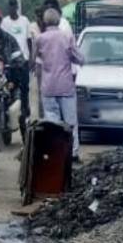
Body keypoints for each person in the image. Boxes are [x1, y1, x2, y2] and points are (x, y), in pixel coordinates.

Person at [34, 8, 85, 161]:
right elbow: (79, 58)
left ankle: (54, 153)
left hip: (48, 86)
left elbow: (33, 60)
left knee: (52, 122)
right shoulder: (66, 37)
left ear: (44, 21)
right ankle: (73, 153)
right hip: (65, 86)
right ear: (58, 20)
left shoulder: (40, 39)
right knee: (70, 121)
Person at [1, 0, 33, 127]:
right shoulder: (4, 22)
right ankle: (10, 115)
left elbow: (29, 40)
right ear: (8, 7)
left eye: (14, 6)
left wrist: (30, 58)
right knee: (9, 87)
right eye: (10, 6)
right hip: (10, 63)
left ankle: (25, 111)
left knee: (25, 87)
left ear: (17, 7)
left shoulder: (25, 21)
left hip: (23, 61)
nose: (13, 8)